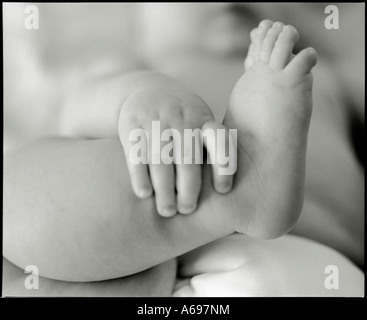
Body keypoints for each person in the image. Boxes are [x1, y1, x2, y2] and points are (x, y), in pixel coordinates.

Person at [3, 4, 364, 296]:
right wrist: (136, 94)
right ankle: (240, 190)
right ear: (144, 28)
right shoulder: (140, 69)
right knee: (18, 192)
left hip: (303, 258)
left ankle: (242, 188)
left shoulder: (321, 75)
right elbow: (71, 118)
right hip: (130, 257)